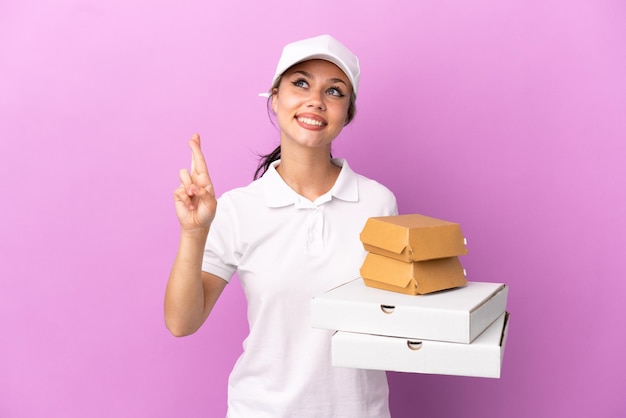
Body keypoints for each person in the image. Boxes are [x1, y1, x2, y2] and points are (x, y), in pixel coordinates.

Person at [165, 34, 398, 418]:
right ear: (275, 98)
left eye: (335, 91)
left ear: (347, 113)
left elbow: (395, 315)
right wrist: (194, 233)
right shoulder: (239, 208)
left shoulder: (379, 203)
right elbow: (181, 322)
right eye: (301, 83)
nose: (316, 101)